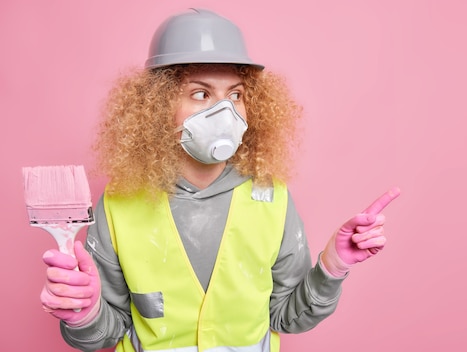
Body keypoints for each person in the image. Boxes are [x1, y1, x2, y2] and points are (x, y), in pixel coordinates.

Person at [39, 8, 400, 352]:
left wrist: (333, 265)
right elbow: (106, 330)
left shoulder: (271, 197)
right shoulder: (119, 204)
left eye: (236, 95)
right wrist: (83, 312)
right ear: (158, 105)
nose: (224, 111)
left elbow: (287, 317)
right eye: (201, 93)